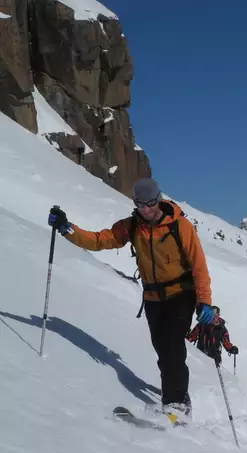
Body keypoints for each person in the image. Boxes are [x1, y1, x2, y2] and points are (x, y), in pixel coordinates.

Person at [47, 178, 216, 421]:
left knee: (172, 347)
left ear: (158, 200)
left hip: (181, 295)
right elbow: (99, 240)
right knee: (162, 349)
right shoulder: (133, 226)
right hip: (152, 298)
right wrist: (66, 229)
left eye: (149, 204)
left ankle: (177, 403)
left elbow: (199, 266)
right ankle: (174, 393)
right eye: (140, 205)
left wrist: (204, 301)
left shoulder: (180, 226)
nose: (146, 210)